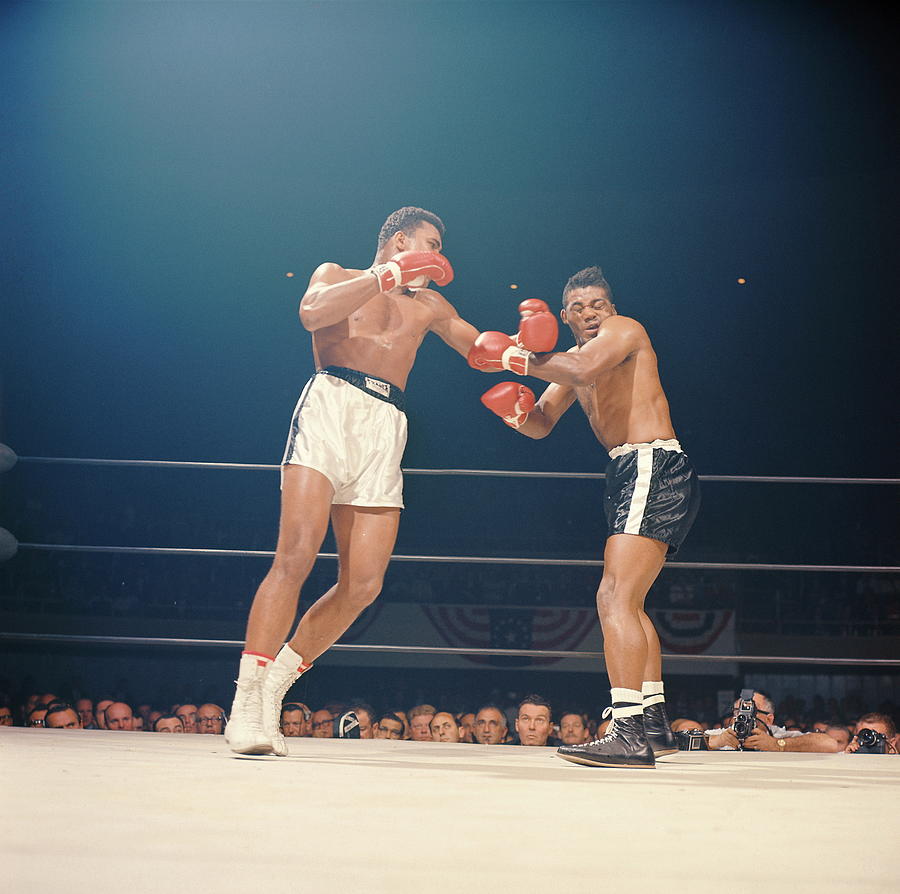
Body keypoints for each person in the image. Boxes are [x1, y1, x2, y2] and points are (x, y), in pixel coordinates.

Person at [225, 206, 495, 757]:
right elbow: (310, 314)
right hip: (332, 402)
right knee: (296, 556)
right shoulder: (338, 274)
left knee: (364, 584)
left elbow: (477, 349)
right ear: (400, 241)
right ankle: (245, 704)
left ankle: (274, 687)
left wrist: (521, 351)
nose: (440, 254)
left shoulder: (431, 305)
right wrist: (385, 276)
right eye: (431, 242)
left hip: (386, 422)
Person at [469, 266, 701, 768]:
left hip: (649, 463)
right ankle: (654, 722)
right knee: (631, 602)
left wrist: (514, 357)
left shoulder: (623, 331)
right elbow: (543, 423)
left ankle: (627, 731)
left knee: (613, 595)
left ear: (611, 308)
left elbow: (577, 370)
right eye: (577, 307)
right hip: (629, 471)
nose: (589, 313)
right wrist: (515, 413)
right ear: (565, 316)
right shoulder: (573, 359)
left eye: (597, 304)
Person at [706, 691, 839, 753]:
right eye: (737, 711)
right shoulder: (726, 734)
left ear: (769, 719)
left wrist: (777, 745)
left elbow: (830, 744)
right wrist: (714, 742)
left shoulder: (777, 736)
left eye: (751, 712)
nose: (742, 717)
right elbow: (686, 741)